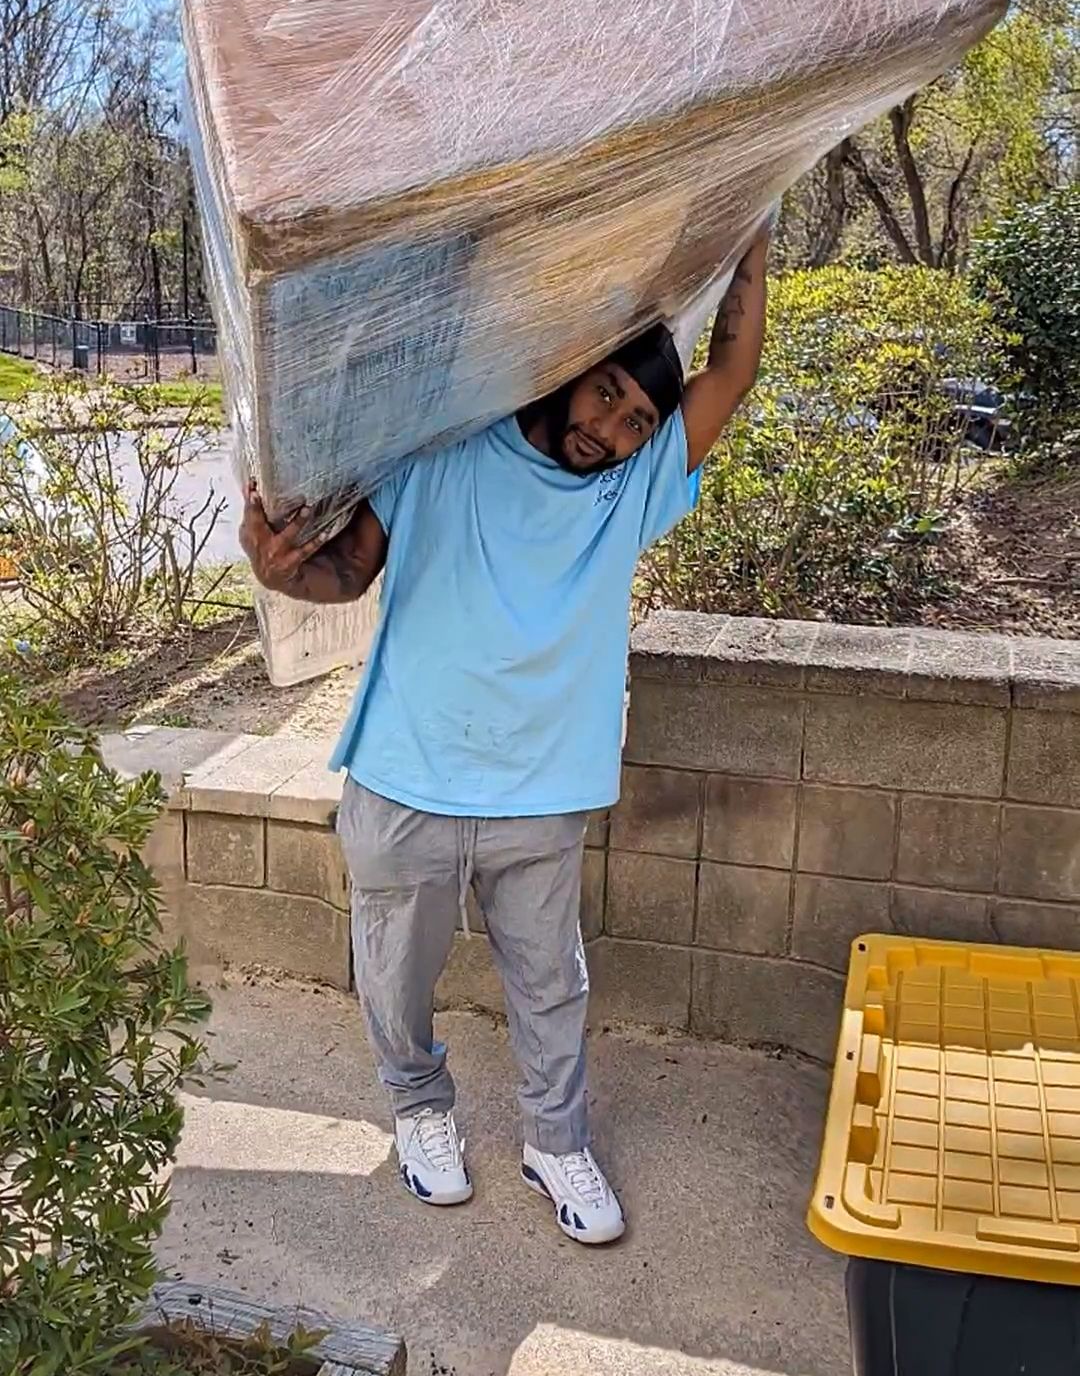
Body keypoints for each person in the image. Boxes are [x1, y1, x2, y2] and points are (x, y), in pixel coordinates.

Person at [241, 221, 770, 1246]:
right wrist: (277, 570)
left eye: (636, 418)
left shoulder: (632, 489)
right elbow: (347, 570)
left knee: (552, 985)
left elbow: (733, 367)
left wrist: (754, 217)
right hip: (406, 779)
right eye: (607, 394)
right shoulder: (446, 447)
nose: (614, 427)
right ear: (571, 374)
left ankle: (555, 1140)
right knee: (394, 975)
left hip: (542, 791)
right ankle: (420, 1114)